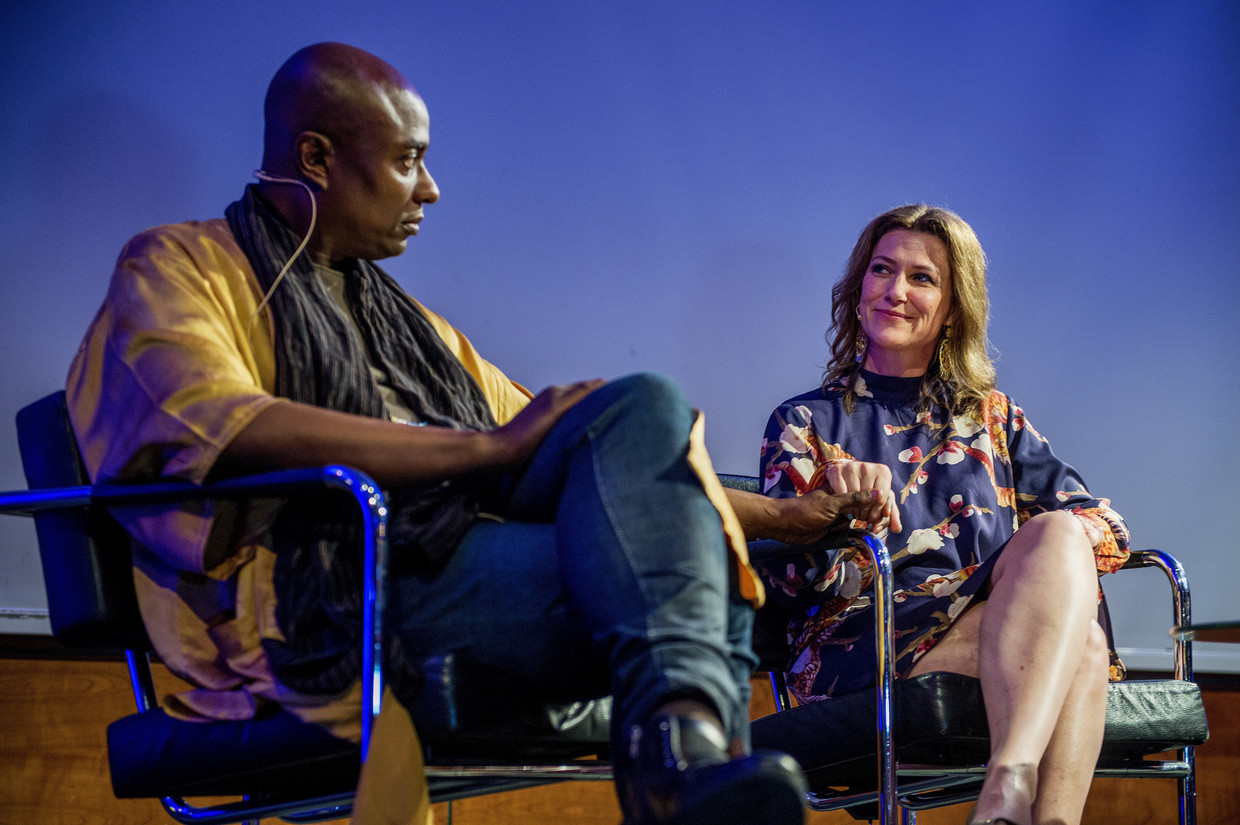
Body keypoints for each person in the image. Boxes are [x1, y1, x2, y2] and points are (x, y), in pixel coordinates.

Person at [65, 42, 879, 825]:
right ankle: (678, 767)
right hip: (332, 586)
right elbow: (228, 425)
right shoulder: (179, 266)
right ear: (316, 159)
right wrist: (486, 450)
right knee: (699, 592)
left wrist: (785, 516)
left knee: (638, 404)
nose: (431, 190)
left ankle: (677, 758)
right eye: (407, 160)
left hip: (454, 546)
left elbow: (595, 458)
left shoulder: (408, 324)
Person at [755, 204, 1130, 825]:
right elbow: (791, 585)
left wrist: (1039, 563)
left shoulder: (992, 417)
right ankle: (1015, 791)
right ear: (858, 290)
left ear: (954, 307)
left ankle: (1009, 786)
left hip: (987, 635)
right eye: (881, 270)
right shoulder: (805, 424)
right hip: (861, 650)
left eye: (922, 278)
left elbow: (1105, 526)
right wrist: (836, 514)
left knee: (1062, 535)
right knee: (1081, 646)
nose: (896, 291)